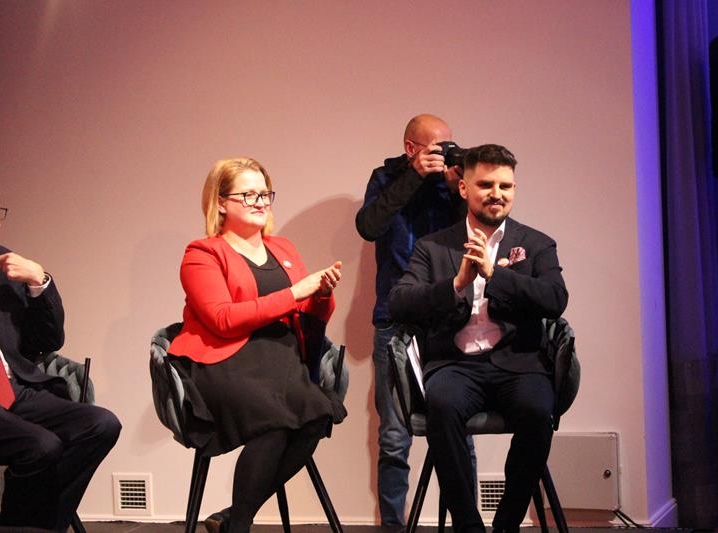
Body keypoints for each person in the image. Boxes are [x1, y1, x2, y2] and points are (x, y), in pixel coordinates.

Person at [389, 144, 568, 532]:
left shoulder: (536, 244)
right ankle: (468, 527)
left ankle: (506, 525)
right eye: (486, 184)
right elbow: (399, 302)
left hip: (519, 364)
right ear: (464, 188)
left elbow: (556, 300)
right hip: (455, 364)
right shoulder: (433, 246)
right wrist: (456, 284)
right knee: (441, 406)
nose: (496, 193)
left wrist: (495, 275)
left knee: (539, 411)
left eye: (505, 186)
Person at [167, 157, 347, 533]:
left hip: (280, 358)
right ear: (221, 202)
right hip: (223, 361)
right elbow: (222, 319)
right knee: (274, 423)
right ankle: (240, 525)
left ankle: (232, 518)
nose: (260, 202)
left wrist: (320, 294)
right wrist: (296, 292)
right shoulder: (202, 253)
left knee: (316, 416)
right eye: (248, 195)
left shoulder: (283, 248)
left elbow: (307, 315)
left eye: (265, 194)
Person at [0, 173, 122, 531]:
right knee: (41, 445)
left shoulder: (2, 265)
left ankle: (19, 524)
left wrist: (38, 281)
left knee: (101, 424)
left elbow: (47, 341)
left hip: (13, 390)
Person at [355, 113, 470, 526]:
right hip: (395, 320)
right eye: (437, 148)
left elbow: (477, 232)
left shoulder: (456, 181)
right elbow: (369, 226)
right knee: (394, 434)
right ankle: (393, 526)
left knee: (460, 433)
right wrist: (414, 176)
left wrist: (458, 187)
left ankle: (467, 525)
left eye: (449, 145)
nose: (445, 154)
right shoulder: (386, 178)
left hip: (450, 319)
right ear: (412, 148)